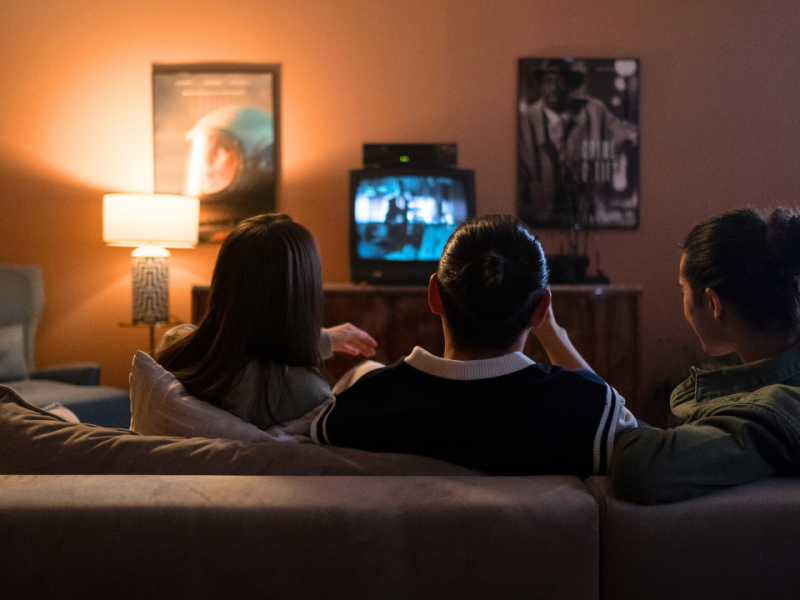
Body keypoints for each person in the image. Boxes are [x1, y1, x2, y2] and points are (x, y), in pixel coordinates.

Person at [310, 214, 636, 476]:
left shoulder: (360, 404)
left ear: (434, 295)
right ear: (540, 309)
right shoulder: (587, 412)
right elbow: (632, 433)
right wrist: (554, 333)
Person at [612, 208, 800, 503]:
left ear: (713, 303)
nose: (683, 304)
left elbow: (639, 466)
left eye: (682, 292)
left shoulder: (777, 411)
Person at [155, 213, 377, 429]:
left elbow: (240, 345)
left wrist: (325, 339)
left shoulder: (175, 348)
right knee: (371, 371)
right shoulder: (307, 392)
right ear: (303, 293)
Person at [517, 59, 639, 227]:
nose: (554, 87)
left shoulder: (594, 110)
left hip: (587, 217)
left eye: (560, 80)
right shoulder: (525, 121)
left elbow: (627, 133)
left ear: (570, 84)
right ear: (540, 86)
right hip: (540, 219)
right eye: (547, 81)